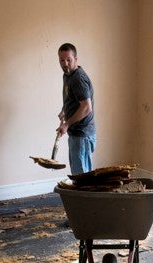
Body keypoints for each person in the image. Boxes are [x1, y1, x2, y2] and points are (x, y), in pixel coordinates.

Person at [56, 43, 96, 175]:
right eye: (62, 60)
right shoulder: (68, 75)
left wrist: (66, 124)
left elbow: (86, 107)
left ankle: (85, 197)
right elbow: (72, 97)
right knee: (78, 174)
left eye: (69, 59)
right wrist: (64, 110)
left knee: (82, 177)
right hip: (77, 133)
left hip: (82, 134)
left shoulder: (78, 79)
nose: (65, 63)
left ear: (76, 59)